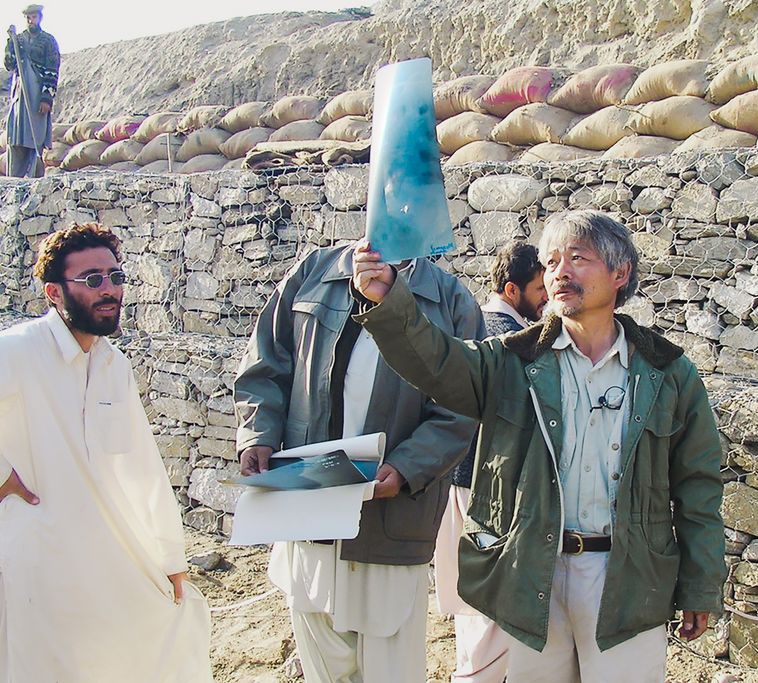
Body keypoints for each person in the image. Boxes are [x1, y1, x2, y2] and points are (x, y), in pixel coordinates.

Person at [352, 210, 726, 683]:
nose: (560, 273)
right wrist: (389, 300)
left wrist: (699, 585)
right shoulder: (510, 362)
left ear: (620, 273)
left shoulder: (668, 374)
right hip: (532, 573)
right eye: (551, 263)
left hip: (629, 580)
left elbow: (697, 486)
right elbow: (438, 361)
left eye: (578, 258)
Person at [234, 242, 484, 683]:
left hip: (390, 521)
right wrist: (258, 434)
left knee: (390, 667)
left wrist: (407, 467)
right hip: (309, 508)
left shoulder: (450, 300)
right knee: (322, 661)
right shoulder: (316, 271)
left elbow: (462, 406)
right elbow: (266, 363)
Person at [0, 223, 213, 682]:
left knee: (153, 645)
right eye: (92, 280)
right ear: (54, 292)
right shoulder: (17, 351)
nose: (109, 290)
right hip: (36, 560)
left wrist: (171, 559)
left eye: (115, 277)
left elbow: (142, 467)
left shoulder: (114, 364)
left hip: (105, 555)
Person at [435, 241, 547, 683]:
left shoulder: (473, 322)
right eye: (539, 288)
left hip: (460, 479)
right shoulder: (508, 336)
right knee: (492, 609)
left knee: (474, 603)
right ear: (512, 289)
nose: (546, 296)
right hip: (488, 490)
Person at [4, 4, 59, 178]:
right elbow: (9, 65)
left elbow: (53, 70)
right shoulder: (18, 40)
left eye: (33, 17)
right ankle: (15, 179)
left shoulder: (48, 41)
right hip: (20, 94)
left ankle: (35, 178)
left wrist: (46, 98)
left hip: (36, 96)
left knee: (35, 136)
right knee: (17, 136)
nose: (30, 20)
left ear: (39, 17)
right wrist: (9, 44)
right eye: (28, 17)